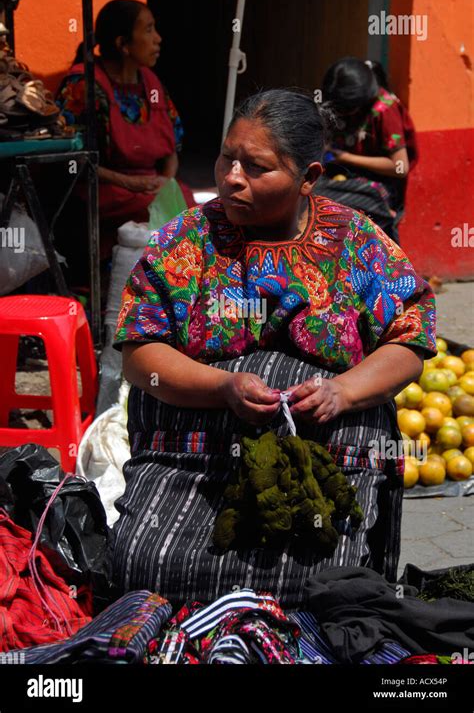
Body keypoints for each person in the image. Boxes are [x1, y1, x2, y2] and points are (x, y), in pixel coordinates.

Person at [109, 89, 436, 610]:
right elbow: (140, 352)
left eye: (256, 167)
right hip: (192, 465)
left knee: (324, 583)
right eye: (226, 157)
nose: (231, 177)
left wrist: (343, 392)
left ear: (308, 177)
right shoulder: (185, 242)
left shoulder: (356, 244)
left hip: (324, 468)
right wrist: (222, 386)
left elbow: (411, 337)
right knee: (144, 567)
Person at [55, 0, 194, 285]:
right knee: (152, 211)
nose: (158, 38)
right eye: (148, 30)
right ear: (122, 43)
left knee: (185, 201)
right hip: (100, 187)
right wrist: (131, 183)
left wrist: (164, 181)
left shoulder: (151, 84)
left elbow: (172, 151)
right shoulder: (84, 85)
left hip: (147, 186)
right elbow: (72, 160)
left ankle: (176, 288)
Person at [321, 57, 418, 243]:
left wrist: (346, 158)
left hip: (382, 185)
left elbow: (400, 167)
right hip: (347, 175)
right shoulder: (344, 108)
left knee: (327, 201)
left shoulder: (385, 111)